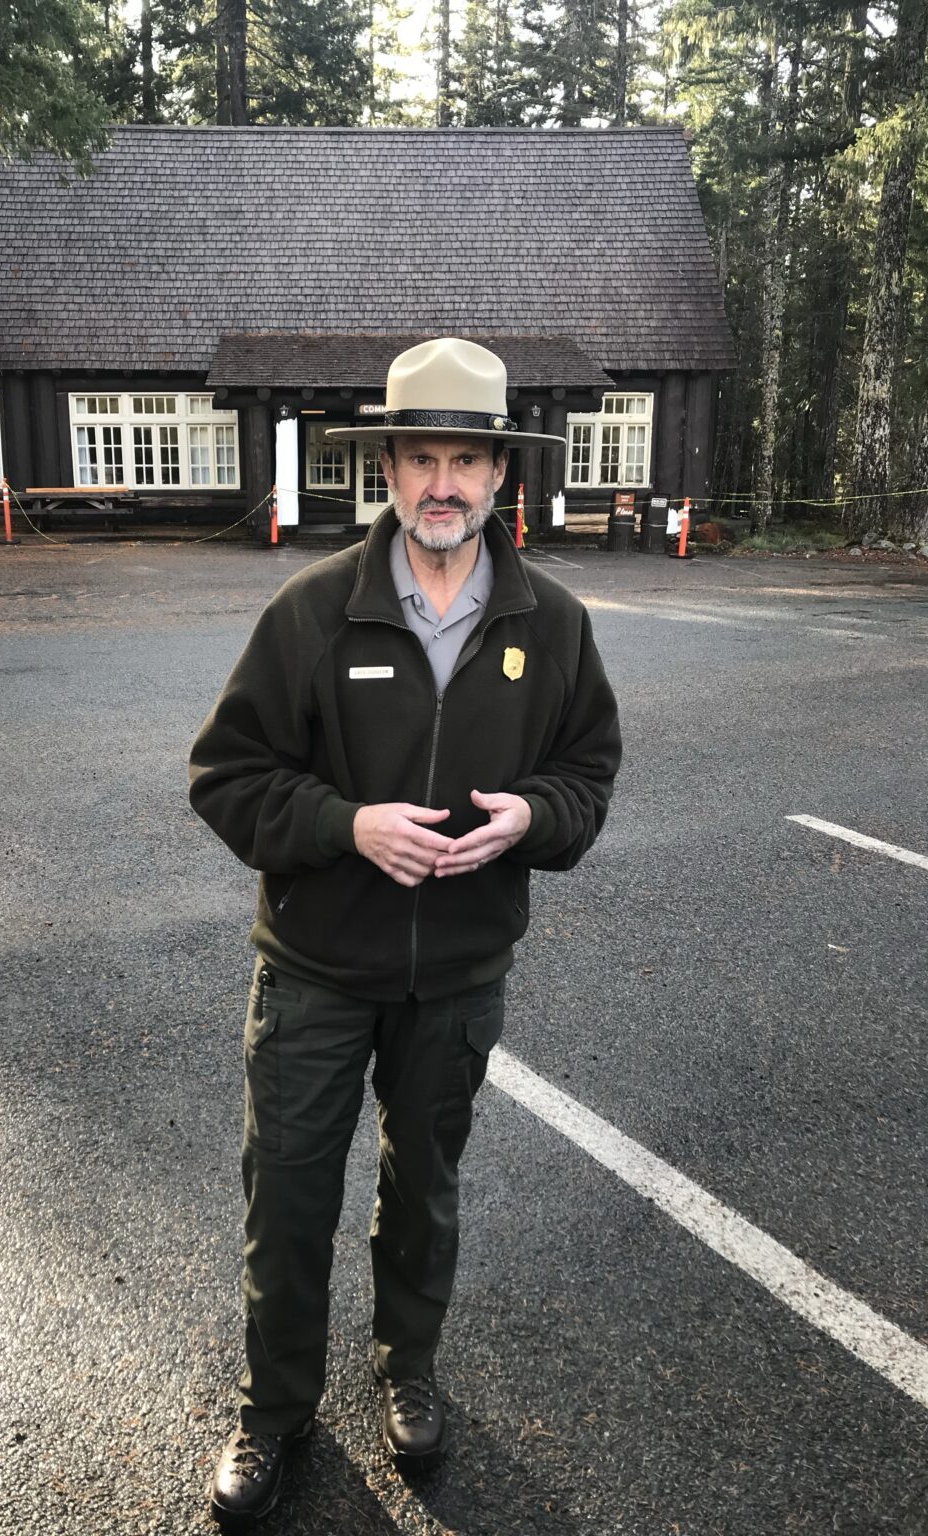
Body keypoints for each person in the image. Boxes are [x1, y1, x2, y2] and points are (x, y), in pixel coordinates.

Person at [188, 337, 622, 1530]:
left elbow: (588, 777)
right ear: (386, 468)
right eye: (421, 458)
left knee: (425, 1189)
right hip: (316, 973)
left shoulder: (554, 625)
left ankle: (408, 1370)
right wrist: (346, 826)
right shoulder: (312, 613)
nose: (443, 483)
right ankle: (275, 1410)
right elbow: (226, 778)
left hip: (460, 977)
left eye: (465, 460)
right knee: (289, 1198)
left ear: (501, 473)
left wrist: (533, 817)